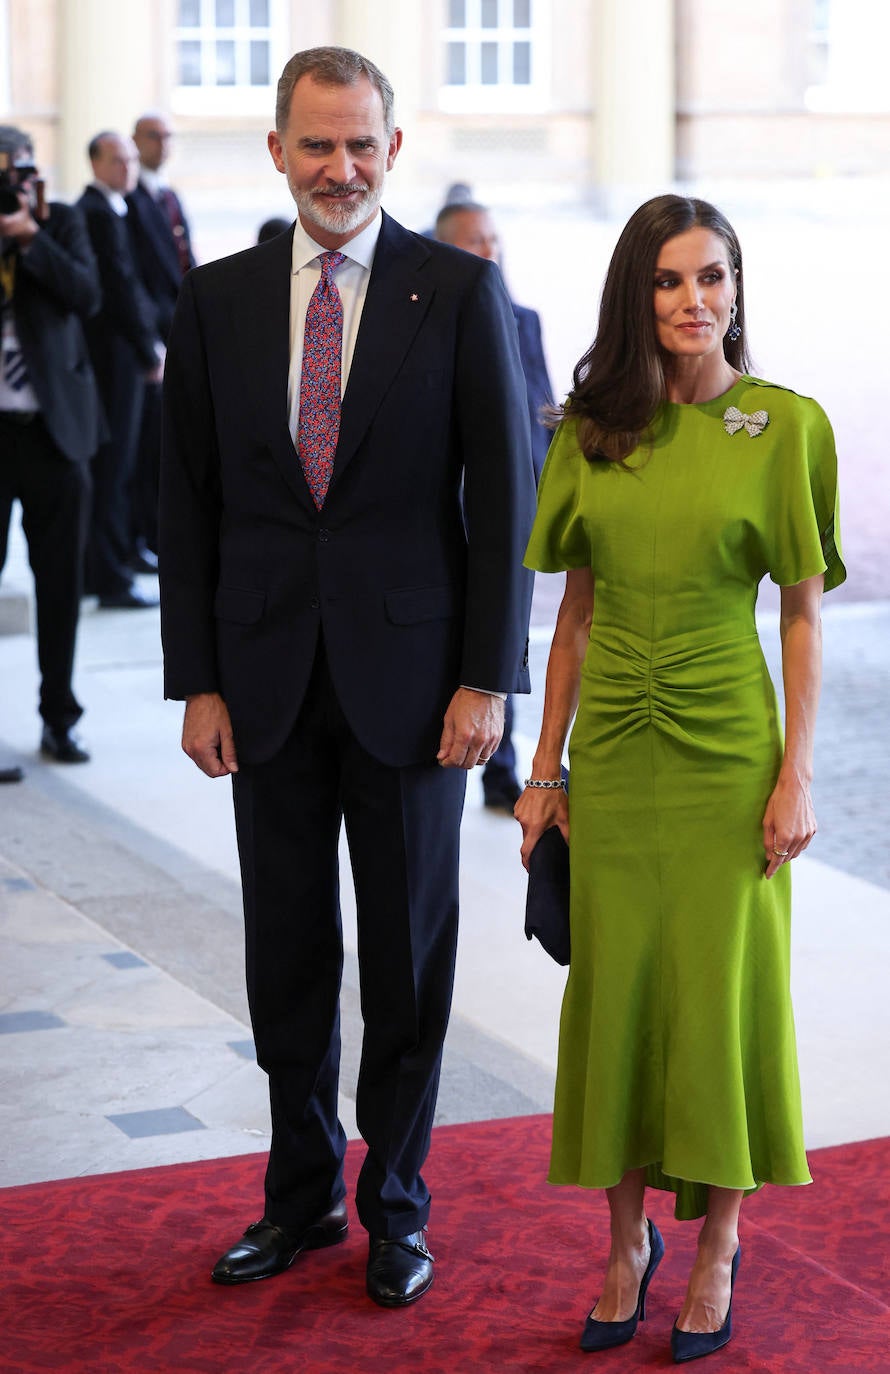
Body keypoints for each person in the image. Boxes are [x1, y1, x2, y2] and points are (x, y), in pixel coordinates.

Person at [159, 46, 534, 1309]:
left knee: (411, 962)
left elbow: (503, 501)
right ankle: (299, 1195)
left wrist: (488, 680)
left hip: (419, 691)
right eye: (316, 144)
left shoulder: (456, 293)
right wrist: (196, 681)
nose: (340, 167)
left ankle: (398, 1206)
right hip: (263, 685)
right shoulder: (213, 301)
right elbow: (189, 508)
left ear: (392, 148)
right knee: (286, 956)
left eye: (361, 143)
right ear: (276, 150)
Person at [515, 194, 844, 1363]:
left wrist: (795, 774)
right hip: (610, 755)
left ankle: (716, 1245)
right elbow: (572, 618)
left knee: (720, 994)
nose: (690, 302)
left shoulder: (785, 426)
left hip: (724, 759)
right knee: (613, 992)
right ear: (634, 296)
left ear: (737, 289)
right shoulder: (588, 432)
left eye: (711, 278)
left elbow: (801, 619)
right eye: (665, 282)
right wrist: (542, 772)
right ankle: (621, 1246)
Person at [435, 199, 554, 811]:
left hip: (516, 508)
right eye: (474, 241)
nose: (489, 251)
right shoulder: (427, 320)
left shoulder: (522, 319)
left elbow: (542, 406)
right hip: (447, 509)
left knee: (508, 636)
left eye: (493, 239)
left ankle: (503, 762)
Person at [0, 125, 102, 764]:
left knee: (60, 584)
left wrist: (31, 238)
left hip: (53, 434)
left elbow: (87, 296)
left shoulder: (60, 223)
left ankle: (59, 717)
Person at [78, 132, 162, 609]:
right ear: (96, 164)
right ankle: (108, 576)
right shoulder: (96, 211)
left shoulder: (118, 208)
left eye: (131, 160)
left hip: (122, 355)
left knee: (122, 465)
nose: (127, 168)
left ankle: (110, 564)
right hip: (115, 360)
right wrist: (149, 351)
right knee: (113, 466)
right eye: (118, 160)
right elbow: (120, 289)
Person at [126, 112, 195, 564]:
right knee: (143, 448)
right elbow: (135, 278)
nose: (163, 144)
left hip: (174, 327)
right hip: (149, 339)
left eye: (168, 136)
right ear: (136, 142)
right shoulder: (130, 200)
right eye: (154, 136)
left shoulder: (168, 194)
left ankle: (155, 534)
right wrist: (154, 340)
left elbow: (184, 261)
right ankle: (139, 538)